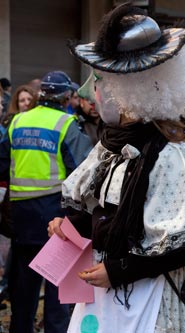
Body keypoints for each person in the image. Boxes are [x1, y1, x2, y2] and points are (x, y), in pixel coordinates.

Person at [48, 4, 185, 332]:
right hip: (103, 293)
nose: (89, 92)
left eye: (99, 80)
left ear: (130, 89)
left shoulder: (177, 159)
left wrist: (120, 271)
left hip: (151, 298)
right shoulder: (108, 147)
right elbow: (106, 213)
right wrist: (70, 225)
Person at [0, 70, 93, 333]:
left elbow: (2, 164)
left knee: (23, 293)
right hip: (56, 219)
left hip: (21, 220)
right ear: (65, 97)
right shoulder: (66, 124)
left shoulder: (17, 121)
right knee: (57, 294)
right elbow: (84, 173)